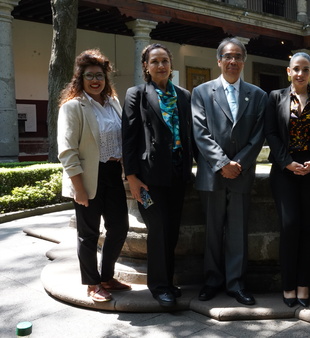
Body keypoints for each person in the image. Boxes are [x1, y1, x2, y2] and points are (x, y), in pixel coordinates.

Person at [192, 38, 267, 306]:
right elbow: (200, 133)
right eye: (228, 56)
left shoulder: (258, 95)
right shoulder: (201, 92)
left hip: (242, 175)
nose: (233, 61)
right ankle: (212, 281)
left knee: (238, 231)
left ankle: (236, 284)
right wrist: (223, 163)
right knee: (212, 231)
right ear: (219, 61)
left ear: (243, 61)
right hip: (212, 174)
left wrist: (239, 164)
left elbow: (259, 136)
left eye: (238, 57)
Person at [122, 43, 194, 307]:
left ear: (171, 65)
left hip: (177, 172)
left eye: (165, 61)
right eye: (155, 61)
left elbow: (190, 134)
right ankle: (159, 286)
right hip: (149, 177)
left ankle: (168, 283)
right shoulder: (136, 94)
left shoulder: (184, 95)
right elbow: (128, 139)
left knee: (172, 230)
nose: (161, 65)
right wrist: (131, 177)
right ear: (146, 66)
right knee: (158, 229)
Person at [57, 49, 131, 302]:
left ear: (105, 77)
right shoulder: (73, 107)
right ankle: (92, 283)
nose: (95, 80)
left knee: (120, 227)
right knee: (88, 233)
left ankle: (107, 276)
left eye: (99, 75)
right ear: (80, 79)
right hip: (87, 176)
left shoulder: (113, 103)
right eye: (89, 76)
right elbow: (67, 151)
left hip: (112, 173)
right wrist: (78, 188)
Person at [264, 52, 310, 308]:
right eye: (296, 69)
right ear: (288, 71)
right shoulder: (275, 97)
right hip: (284, 171)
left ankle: (304, 285)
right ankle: (288, 285)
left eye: (306, 69)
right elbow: (270, 132)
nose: (300, 73)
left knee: (307, 229)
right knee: (290, 226)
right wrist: (286, 162)